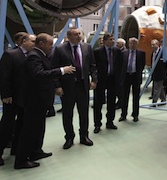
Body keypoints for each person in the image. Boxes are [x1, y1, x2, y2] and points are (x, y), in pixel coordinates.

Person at [14, 33, 75, 169]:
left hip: (41, 100)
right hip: (34, 100)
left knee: (38, 128)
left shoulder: (41, 55)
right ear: (41, 44)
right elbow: (39, 74)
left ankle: (36, 151)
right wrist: (61, 70)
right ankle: (21, 160)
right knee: (29, 130)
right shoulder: (34, 56)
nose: (51, 47)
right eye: (50, 45)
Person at [51, 27, 97, 150]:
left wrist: (94, 79)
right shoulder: (60, 49)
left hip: (83, 85)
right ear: (69, 36)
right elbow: (54, 68)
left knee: (84, 112)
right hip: (68, 87)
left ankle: (84, 136)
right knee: (67, 113)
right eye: (76, 34)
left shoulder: (87, 47)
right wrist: (58, 86)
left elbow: (92, 65)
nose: (79, 36)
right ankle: (69, 137)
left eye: (80, 34)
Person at [0, 33, 35, 166]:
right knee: (6, 125)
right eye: (33, 41)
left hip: (26, 98)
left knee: (21, 125)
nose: (35, 43)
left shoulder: (32, 56)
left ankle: (16, 149)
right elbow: (4, 77)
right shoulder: (11, 55)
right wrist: (6, 95)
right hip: (12, 98)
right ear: (23, 41)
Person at [93, 33, 122, 133]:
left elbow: (120, 66)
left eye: (113, 39)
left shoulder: (117, 51)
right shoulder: (97, 52)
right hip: (101, 80)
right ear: (104, 41)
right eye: (110, 39)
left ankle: (110, 122)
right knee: (98, 103)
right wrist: (94, 79)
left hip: (113, 80)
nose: (113, 41)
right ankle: (97, 124)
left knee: (111, 102)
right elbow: (93, 67)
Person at [119, 37, 145, 122]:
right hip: (126, 77)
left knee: (136, 97)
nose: (132, 45)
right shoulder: (123, 53)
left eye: (134, 43)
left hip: (135, 77)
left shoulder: (141, 53)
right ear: (128, 44)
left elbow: (142, 65)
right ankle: (123, 115)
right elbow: (121, 65)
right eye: (131, 43)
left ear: (137, 44)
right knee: (124, 97)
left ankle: (135, 115)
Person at [150, 39, 167, 105]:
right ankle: (163, 100)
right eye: (151, 44)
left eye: (153, 44)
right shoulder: (153, 52)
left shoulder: (163, 52)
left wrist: (165, 72)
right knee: (160, 88)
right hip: (154, 73)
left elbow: (166, 63)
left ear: (157, 44)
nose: (152, 46)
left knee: (156, 88)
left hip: (161, 73)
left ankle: (154, 102)